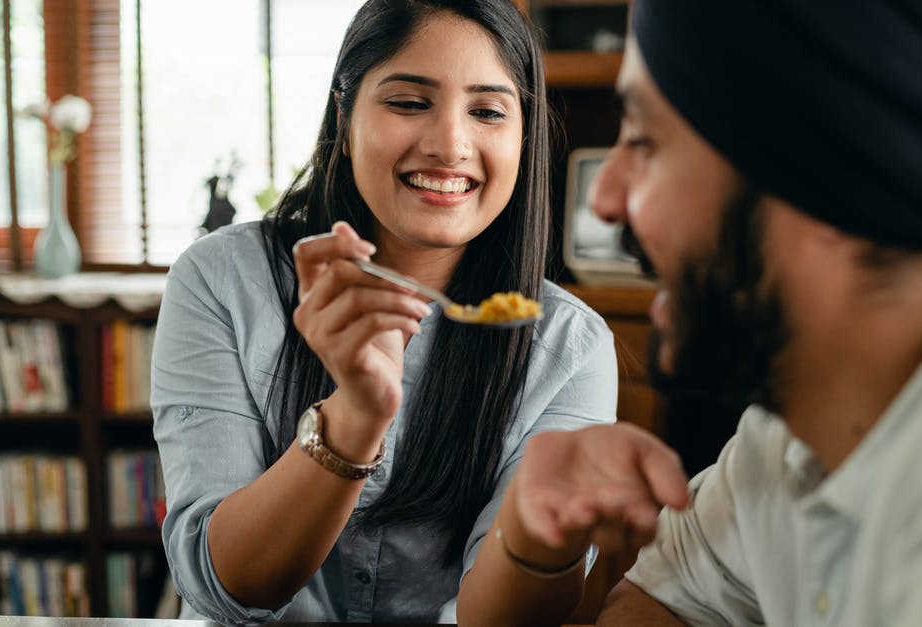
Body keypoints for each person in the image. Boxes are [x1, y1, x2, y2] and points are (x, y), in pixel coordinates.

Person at [493, 1, 922, 625]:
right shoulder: (795, 432)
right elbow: (658, 603)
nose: (604, 198)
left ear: (827, 175)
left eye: (644, 141)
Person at [150, 1, 618, 624]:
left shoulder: (570, 345)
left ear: (523, 135)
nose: (450, 145)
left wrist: (549, 528)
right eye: (408, 102)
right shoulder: (220, 281)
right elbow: (224, 587)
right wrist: (355, 416)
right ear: (344, 118)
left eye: (487, 111)